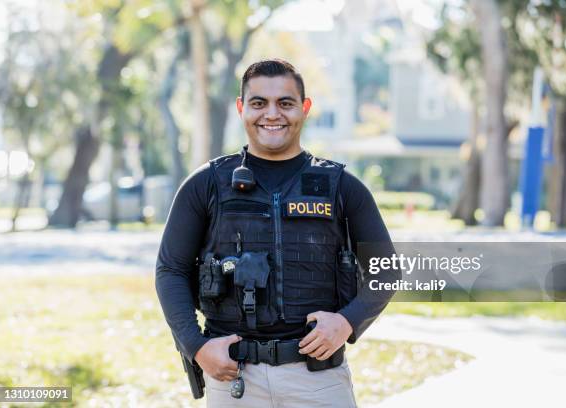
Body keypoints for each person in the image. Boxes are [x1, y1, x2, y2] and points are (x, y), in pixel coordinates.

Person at [156, 59, 395, 407]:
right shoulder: (206, 184)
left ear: (305, 108)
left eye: (285, 103)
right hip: (233, 377)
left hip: (319, 380)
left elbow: (385, 270)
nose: (272, 114)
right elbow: (170, 270)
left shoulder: (342, 187)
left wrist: (347, 322)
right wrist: (196, 347)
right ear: (241, 108)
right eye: (258, 103)